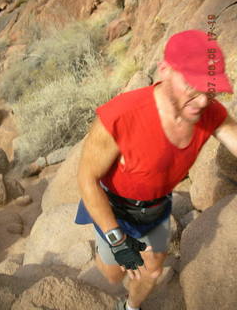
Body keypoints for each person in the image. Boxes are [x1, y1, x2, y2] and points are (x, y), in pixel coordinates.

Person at [75, 29, 236, 310]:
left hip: (157, 207)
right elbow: (86, 177)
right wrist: (117, 240)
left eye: (209, 90)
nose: (202, 101)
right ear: (165, 70)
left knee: (151, 271)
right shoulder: (121, 117)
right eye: (192, 86)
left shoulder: (209, 112)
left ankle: (129, 308)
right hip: (116, 207)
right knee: (114, 273)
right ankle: (104, 250)